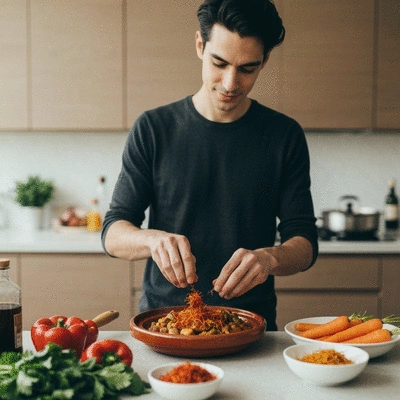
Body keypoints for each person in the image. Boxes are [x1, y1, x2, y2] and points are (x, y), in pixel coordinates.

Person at [102, 0, 318, 331]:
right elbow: (114, 232)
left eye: (247, 68)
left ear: (265, 61)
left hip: (249, 327)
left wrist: (269, 258)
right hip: (166, 322)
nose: (231, 83)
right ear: (200, 46)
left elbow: (303, 243)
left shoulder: (283, 135)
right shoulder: (153, 128)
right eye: (220, 63)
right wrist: (152, 241)